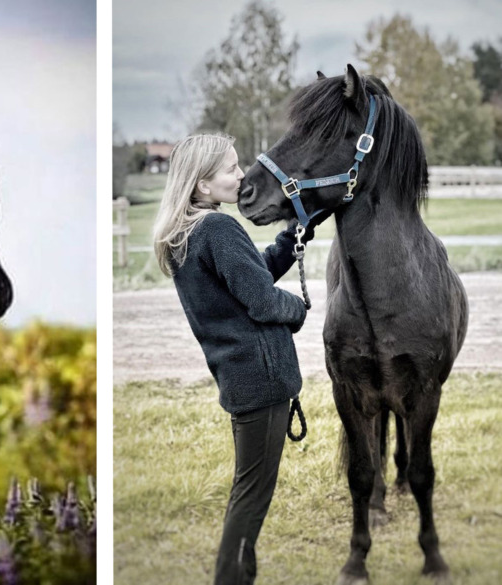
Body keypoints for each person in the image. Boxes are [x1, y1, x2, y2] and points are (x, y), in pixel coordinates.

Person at [153, 133, 320, 585]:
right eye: (231, 168)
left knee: (246, 491)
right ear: (203, 185)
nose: (242, 174)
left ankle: (237, 574)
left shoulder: (186, 233)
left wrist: (291, 239)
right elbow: (264, 302)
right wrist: (299, 309)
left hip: (241, 378)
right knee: (251, 497)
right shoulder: (218, 229)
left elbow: (248, 277)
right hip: (261, 380)